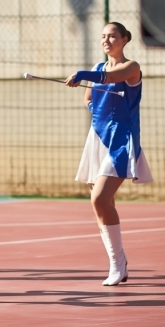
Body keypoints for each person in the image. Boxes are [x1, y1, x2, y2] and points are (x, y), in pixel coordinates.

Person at [65, 21, 153, 286]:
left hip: (121, 140)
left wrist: (81, 73)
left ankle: (118, 263)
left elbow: (111, 78)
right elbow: (89, 98)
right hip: (98, 138)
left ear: (124, 39)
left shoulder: (131, 67)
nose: (106, 40)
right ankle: (118, 263)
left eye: (112, 36)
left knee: (99, 199)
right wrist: (94, 106)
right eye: (103, 36)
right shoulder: (97, 68)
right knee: (103, 203)